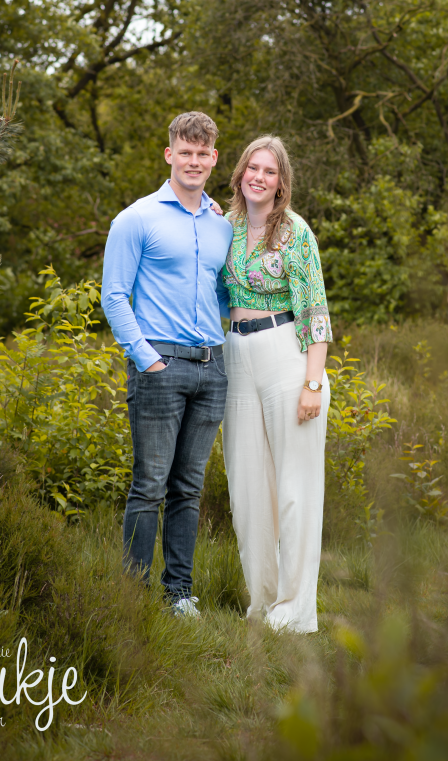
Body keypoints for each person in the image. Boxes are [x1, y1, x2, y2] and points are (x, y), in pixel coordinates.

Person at [101, 111, 233, 616]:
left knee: (188, 489)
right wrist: (147, 360)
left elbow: (222, 297)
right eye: (186, 151)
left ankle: (179, 594)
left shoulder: (222, 227)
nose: (194, 161)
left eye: (203, 154)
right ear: (169, 154)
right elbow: (115, 297)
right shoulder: (136, 219)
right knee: (149, 485)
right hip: (160, 365)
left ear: (213, 158)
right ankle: (131, 596)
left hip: (211, 368)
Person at [221, 135, 332, 632]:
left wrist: (313, 382)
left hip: (287, 352)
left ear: (281, 182)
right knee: (247, 488)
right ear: (240, 173)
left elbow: (315, 309)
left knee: (294, 487)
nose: (258, 177)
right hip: (236, 355)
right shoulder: (225, 226)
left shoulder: (295, 232)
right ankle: (262, 601)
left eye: (269, 171)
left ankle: (294, 610)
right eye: (252, 168)